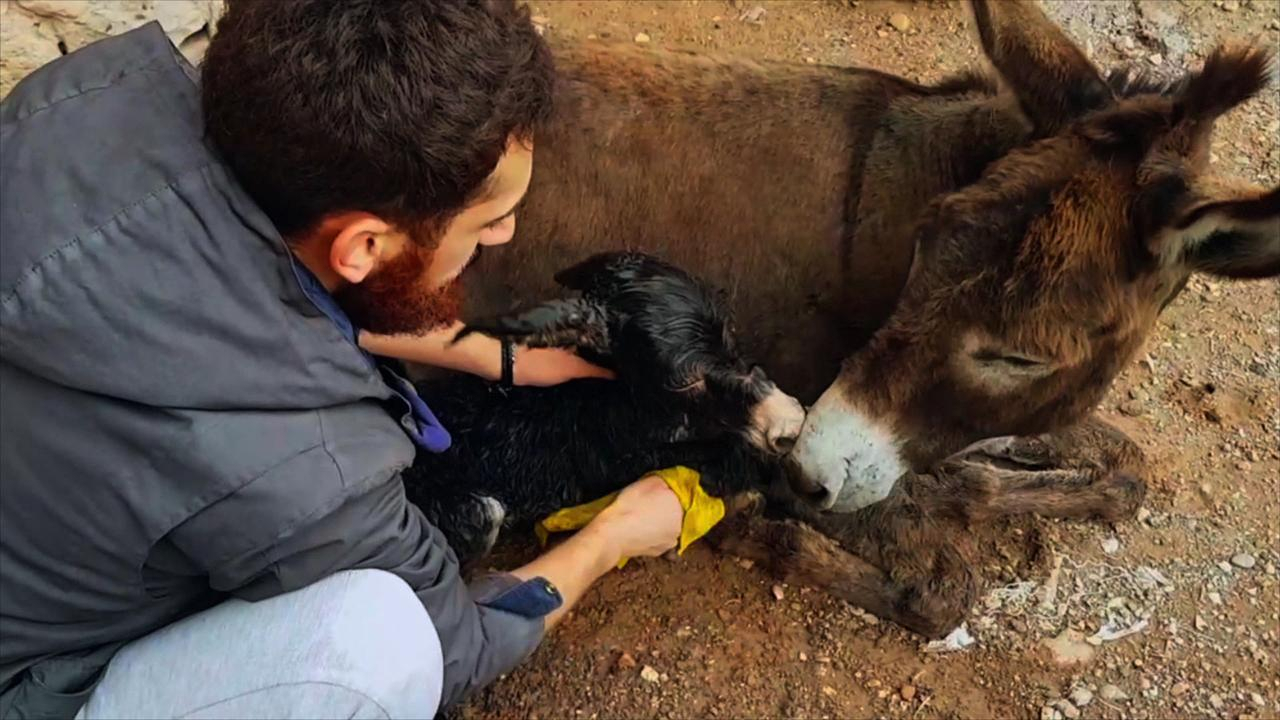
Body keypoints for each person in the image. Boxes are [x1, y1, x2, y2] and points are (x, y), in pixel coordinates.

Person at [0, 2, 687, 718]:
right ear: (362, 248)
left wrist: (493, 356)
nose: (507, 234)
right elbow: (457, 646)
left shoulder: (76, 101)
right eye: (490, 220)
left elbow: (216, 308)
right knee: (383, 648)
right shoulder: (311, 473)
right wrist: (611, 536)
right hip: (25, 684)